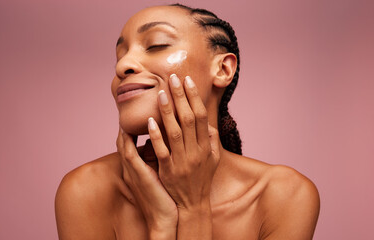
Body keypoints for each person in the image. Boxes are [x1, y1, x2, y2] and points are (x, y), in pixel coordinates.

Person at [55, 4, 320, 240]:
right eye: (119, 55)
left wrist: (193, 209)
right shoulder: (86, 191)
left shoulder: (283, 196)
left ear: (223, 69)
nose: (122, 66)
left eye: (156, 45)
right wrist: (162, 224)